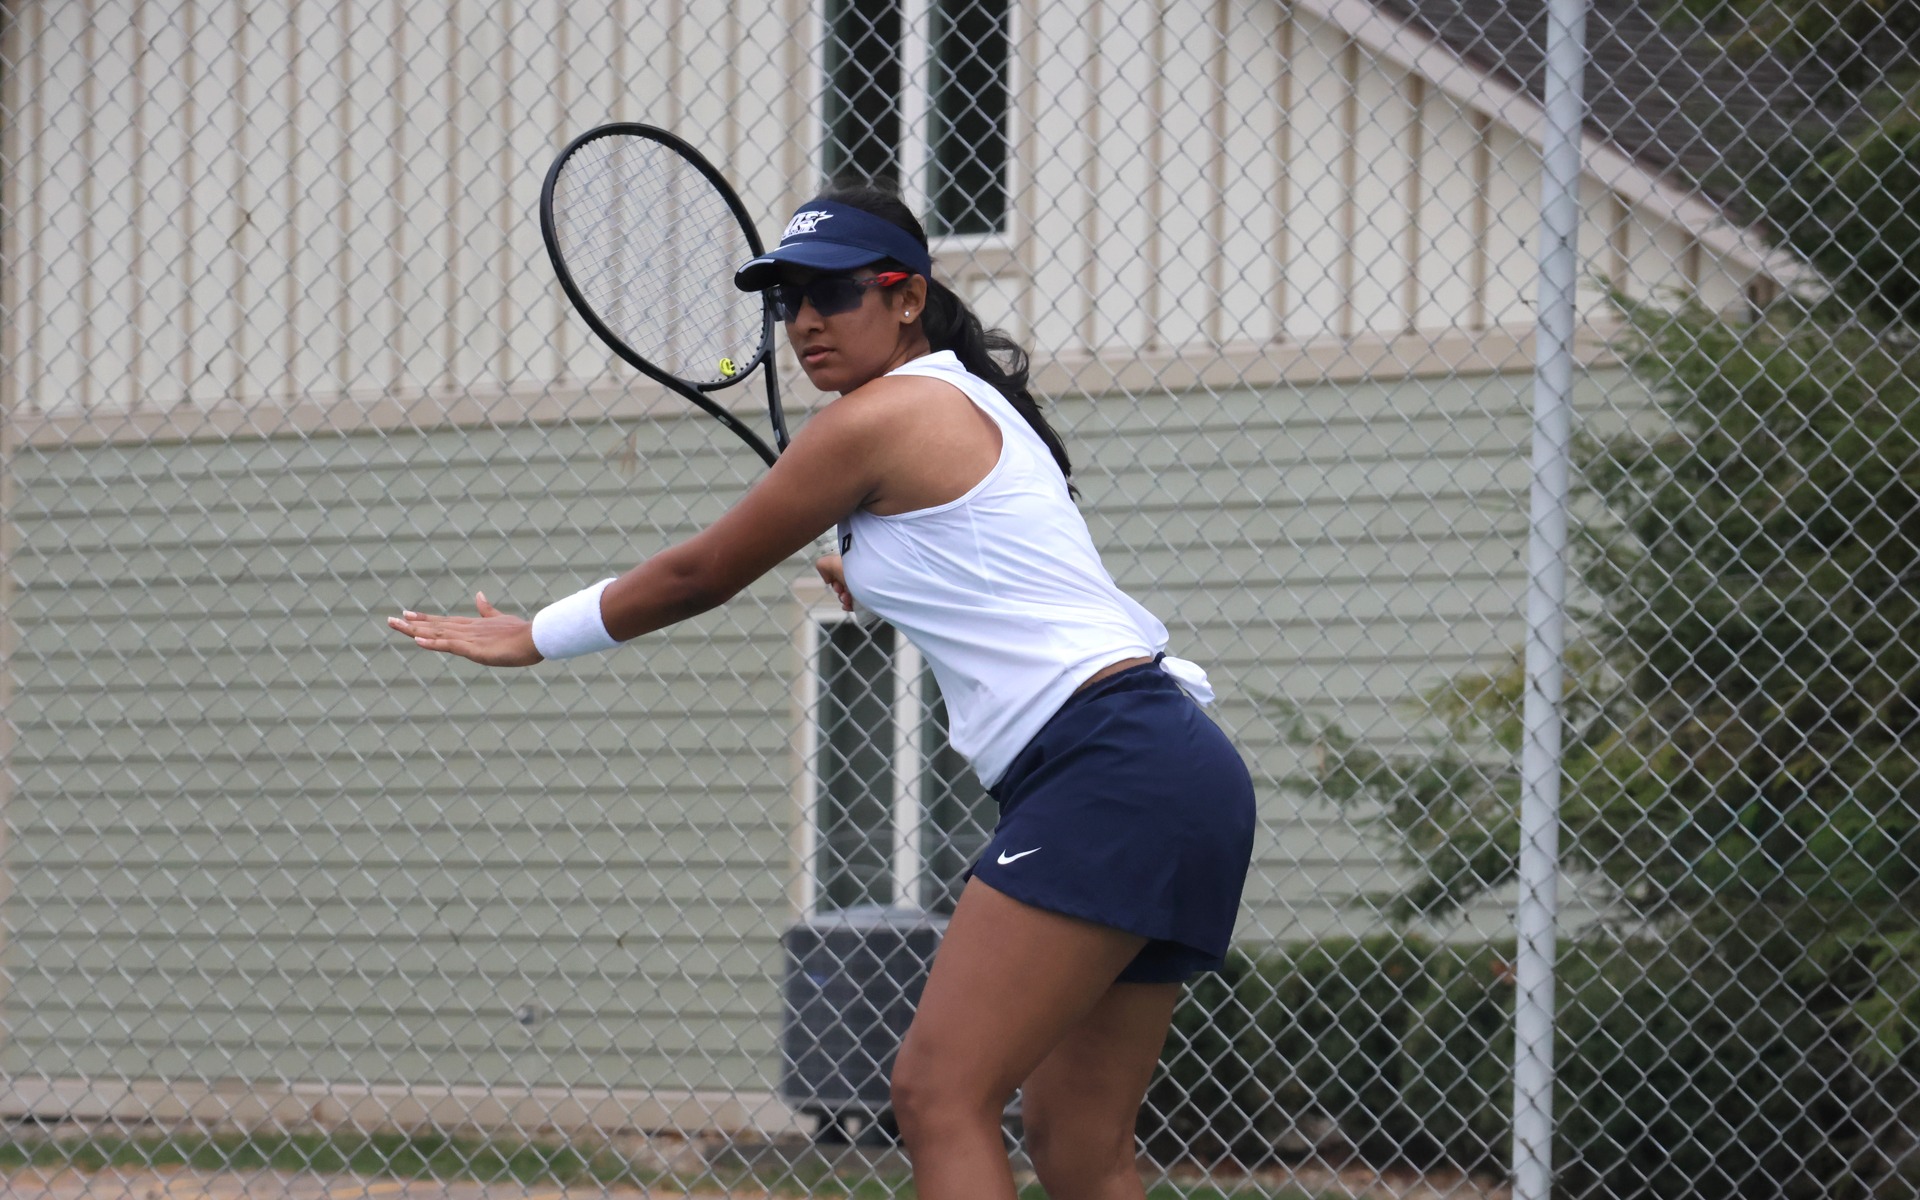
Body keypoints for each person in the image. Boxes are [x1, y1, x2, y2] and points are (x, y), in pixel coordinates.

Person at [388, 184, 1256, 1200]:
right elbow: (1000, 575)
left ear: (905, 298)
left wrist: (534, 634)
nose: (804, 321)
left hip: (1106, 768)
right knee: (1078, 1140)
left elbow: (699, 574)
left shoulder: (876, 419)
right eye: (786, 298)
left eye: (834, 292)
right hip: (1181, 770)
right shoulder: (980, 408)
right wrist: (878, 572)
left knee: (938, 1094)